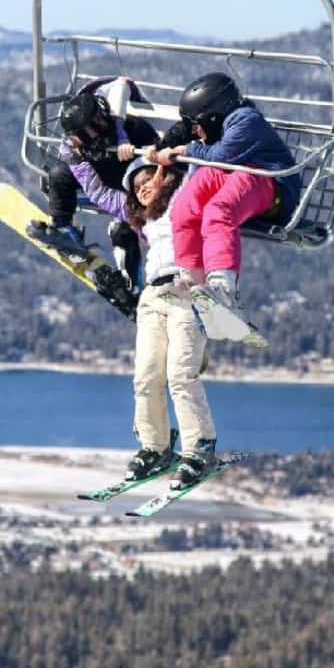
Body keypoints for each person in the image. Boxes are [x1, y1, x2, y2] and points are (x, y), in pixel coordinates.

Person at [149, 72, 302, 323]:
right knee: (184, 207)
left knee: (217, 210)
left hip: (269, 184)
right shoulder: (219, 123)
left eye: (197, 125)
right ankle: (192, 279)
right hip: (238, 174)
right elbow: (189, 138)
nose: (196, 132)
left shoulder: (246, 120)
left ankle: (223, 288)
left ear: (212, 115)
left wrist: (185, 150)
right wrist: (165, 147)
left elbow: (221, 155)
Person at [120, 155, 218, 491]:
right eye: (135, 188)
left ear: (165, 176)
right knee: (146, 376)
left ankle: (199, 449)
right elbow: (98, 192)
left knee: (180, 374)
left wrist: (163, 155)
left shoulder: (183, 197)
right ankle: (155, 447)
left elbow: (198, 165)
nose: (142, 188)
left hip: (187, 291)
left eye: (147, 179)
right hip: (153, 296)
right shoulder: (143, 217)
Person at [26, 76, 159, 289]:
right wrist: (130, 210)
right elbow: (97, 192)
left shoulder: (135, 129)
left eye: (94, 127)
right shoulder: (72, 147)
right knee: (60, 173)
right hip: (109, 183)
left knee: (124, 231)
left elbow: (123, 84)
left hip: (139, 182)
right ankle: (64, 228)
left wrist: (122, 134)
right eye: (81, 135)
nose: (89, 137)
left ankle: (135, 282)